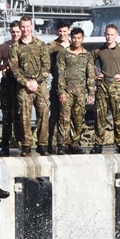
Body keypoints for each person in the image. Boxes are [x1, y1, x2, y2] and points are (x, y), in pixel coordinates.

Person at [92, 23, 120, 154]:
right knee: (100, 116)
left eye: (112, 35)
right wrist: (95, 75)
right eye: (107, 34)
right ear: (104, 35)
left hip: (117, 87)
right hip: (102, 86)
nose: (109, 37)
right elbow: (89, 64)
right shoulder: (98, 51)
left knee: (119, 117)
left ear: (116, 36)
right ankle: (98, 143)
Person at [9, 15, 51, 156]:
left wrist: (37, 81)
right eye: (23, 27)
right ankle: (26, 146)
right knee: (24, 117)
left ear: (31, 27)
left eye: (27, 26)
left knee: (44, 114)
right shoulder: (15, 47)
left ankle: (42, 144)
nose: (25, 29)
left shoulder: (40, 45)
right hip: (23, 85)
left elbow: (46, 66)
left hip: (40, 85)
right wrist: (26, 82)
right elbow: (14, 68)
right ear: (20, 27)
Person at [55, 27, 94, 155]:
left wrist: (91, 93)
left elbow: (90, 74)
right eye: (74, 38)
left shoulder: (87, 55)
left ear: (82, 39)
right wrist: (61, 91)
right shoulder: (63, 54)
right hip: (67, 90)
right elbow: (60, 73)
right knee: (64, 118)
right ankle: (62, 144)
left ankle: (74, 143)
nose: (76, 40)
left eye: (79, 38)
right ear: (71, 38)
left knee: (78, 118)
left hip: (80, 91)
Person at [0, 20, 21, 156]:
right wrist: (4, 67)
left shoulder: (25, 47)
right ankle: (5, 144)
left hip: (20, 84)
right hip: (7, 84)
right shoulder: (3, 47)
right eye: (13, 32)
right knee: (6, 116)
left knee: (21, 115)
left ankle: (22, 142)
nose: (15, 34)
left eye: (17, 32)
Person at [46, 21, 71, 154]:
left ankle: (66, 143)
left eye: (65, 31)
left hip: (72, 85)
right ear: (57, 31)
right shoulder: (52, 46)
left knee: (68, 117)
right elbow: (44, 61)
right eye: (60, 31)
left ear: (69, 31)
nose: (62, 34)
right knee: (55, 115)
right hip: (57, 84)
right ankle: (52, 143)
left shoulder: (74, 45)